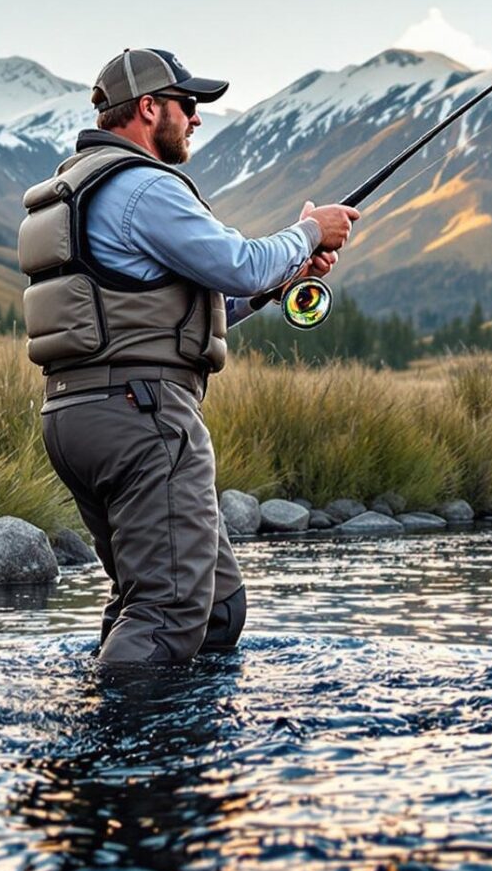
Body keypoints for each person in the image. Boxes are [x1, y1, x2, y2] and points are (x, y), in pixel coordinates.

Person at [19, 47, 357, 667]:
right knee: (169, 611)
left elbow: (188, 306)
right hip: (144, 416)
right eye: (188, 105)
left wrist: (276, 288)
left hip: (79, 415)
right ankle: (121, 750)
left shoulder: (82, 189)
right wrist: (311, 233)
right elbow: (239, 261)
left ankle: (146, 728)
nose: (197, 118)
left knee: (211, 606)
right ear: (149, 109)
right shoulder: (142, 186)